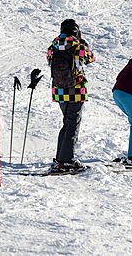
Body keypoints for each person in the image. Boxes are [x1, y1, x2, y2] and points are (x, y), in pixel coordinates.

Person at [46, 19, 95, 173]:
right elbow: (90, 58)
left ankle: (60, 158)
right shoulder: (77, 45)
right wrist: (83, 43)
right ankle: (66, 161)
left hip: (59, 91)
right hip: (76, 90)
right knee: (73, 124)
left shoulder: (53, 46)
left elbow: (49, 60)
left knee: (66, 123)